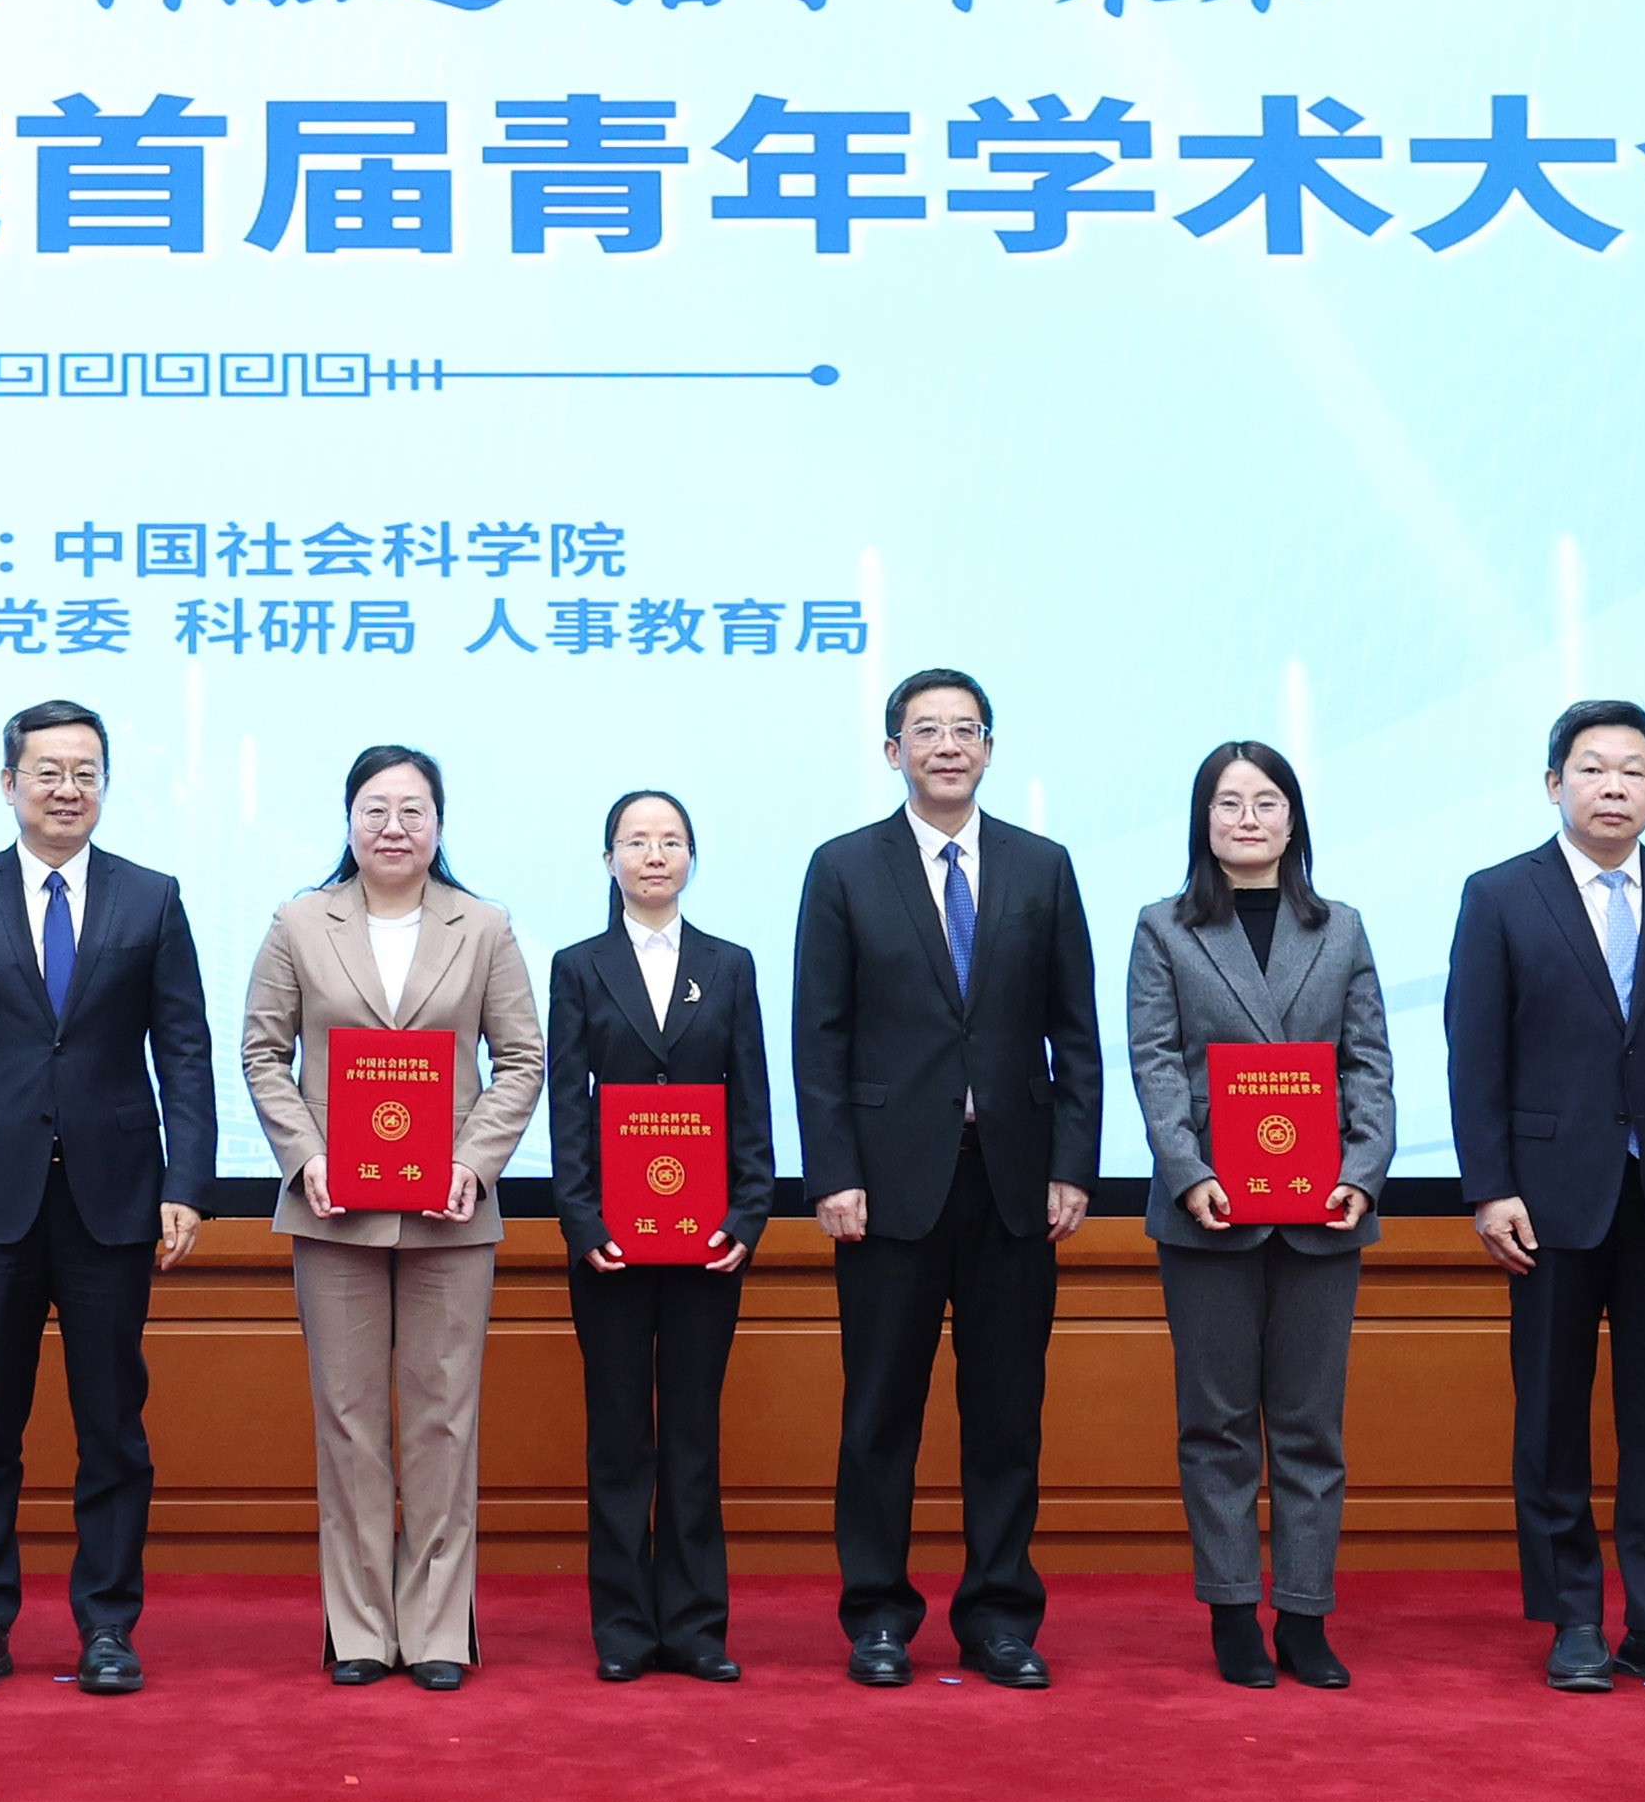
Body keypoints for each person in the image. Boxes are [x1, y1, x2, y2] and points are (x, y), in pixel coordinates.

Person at [0, 696, 216, 1699]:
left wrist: (188, 1182)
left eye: (85, 772)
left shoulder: (151, 898)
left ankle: (108, 1625)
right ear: (9, 783)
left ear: (104, 785)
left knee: (112, 1424)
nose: (67, 789)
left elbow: (185, 1049)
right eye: (48, 771)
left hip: (114, 1197)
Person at [790, 666, 1101, 1691]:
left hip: (1014, 1184)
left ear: (990, 748)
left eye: (966, 728)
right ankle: (878, 1616)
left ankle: (1000, 1616)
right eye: (926, 730)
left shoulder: (1043, 866)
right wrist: (833, 1171)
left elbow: (1076, 1031)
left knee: (1007, 1415)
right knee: (880, 1413)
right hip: (886, 1189)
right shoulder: (843, 866)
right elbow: (819, 1036)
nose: (948, 745)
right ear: (894, 752)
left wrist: (1073, 1164)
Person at [1447, 697, 1645, 1697]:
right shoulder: (1500, 894)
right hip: (1547, 1198)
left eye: (1633, 770)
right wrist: (1490, 1186)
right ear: (1554, 783)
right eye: (1591, 767)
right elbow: (1474, 1054)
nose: (1612, 786)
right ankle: (1574, 1618)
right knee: (1551, 1413)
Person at [241, 744, 546, 1690]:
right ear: (348, 820)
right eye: (375, 809)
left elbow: (522, 1058)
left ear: (439, 824)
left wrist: (472, 1163)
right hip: (333, 1209)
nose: (394, 828)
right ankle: (362, 1627)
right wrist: (306, 1155)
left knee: (445, 1421)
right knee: (349, 1421)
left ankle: (439, 1626)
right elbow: (262, 1053)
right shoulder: (299, 921)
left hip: (450, 1213)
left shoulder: (483, 925)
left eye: (414, 810)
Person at [1123, 740, 1387, 1694]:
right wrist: (1188, 1171)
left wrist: (1362, 1172)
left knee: (1312, 1429)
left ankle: (1305, 1615)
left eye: (1266, 801)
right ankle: (1234, 1612)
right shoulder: (1164, 928)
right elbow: (1154, 1061)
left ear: (1292, 817)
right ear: (1204, 820)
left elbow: (1368, 1063)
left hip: (1324, 1213)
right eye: (1228, 802)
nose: (1247, 817)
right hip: (1210, 1212)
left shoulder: (1342, 927)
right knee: (1219, 1426)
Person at [542, 789, 771, 1684]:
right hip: (611, 1242)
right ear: (609, 859)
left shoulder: (729, 964)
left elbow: (750, 1098)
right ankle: (624, 1628)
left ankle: (697, 1625)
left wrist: (748, 1213)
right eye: (635, 841)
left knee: (692, 1436)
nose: (653, 854)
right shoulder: (578, 966)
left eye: (670, 840)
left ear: (691, 859)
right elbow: (569, 1106)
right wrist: (582, 1218)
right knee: (618, 1437)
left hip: (709, 1239)